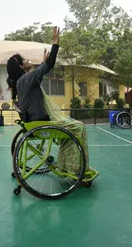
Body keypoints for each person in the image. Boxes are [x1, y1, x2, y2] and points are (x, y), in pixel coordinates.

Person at [6, 26, 98, 178]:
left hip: (33, 123)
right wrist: (55, 44)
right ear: (21, 66)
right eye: (25, 60)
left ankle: (67, 164)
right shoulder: (27, 79)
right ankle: (74, 167)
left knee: (72, 127)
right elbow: (50, 65)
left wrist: (43, 65)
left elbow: (38, 76)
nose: (28, 60)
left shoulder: (21, 82)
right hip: (42, 123)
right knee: (79, 127)